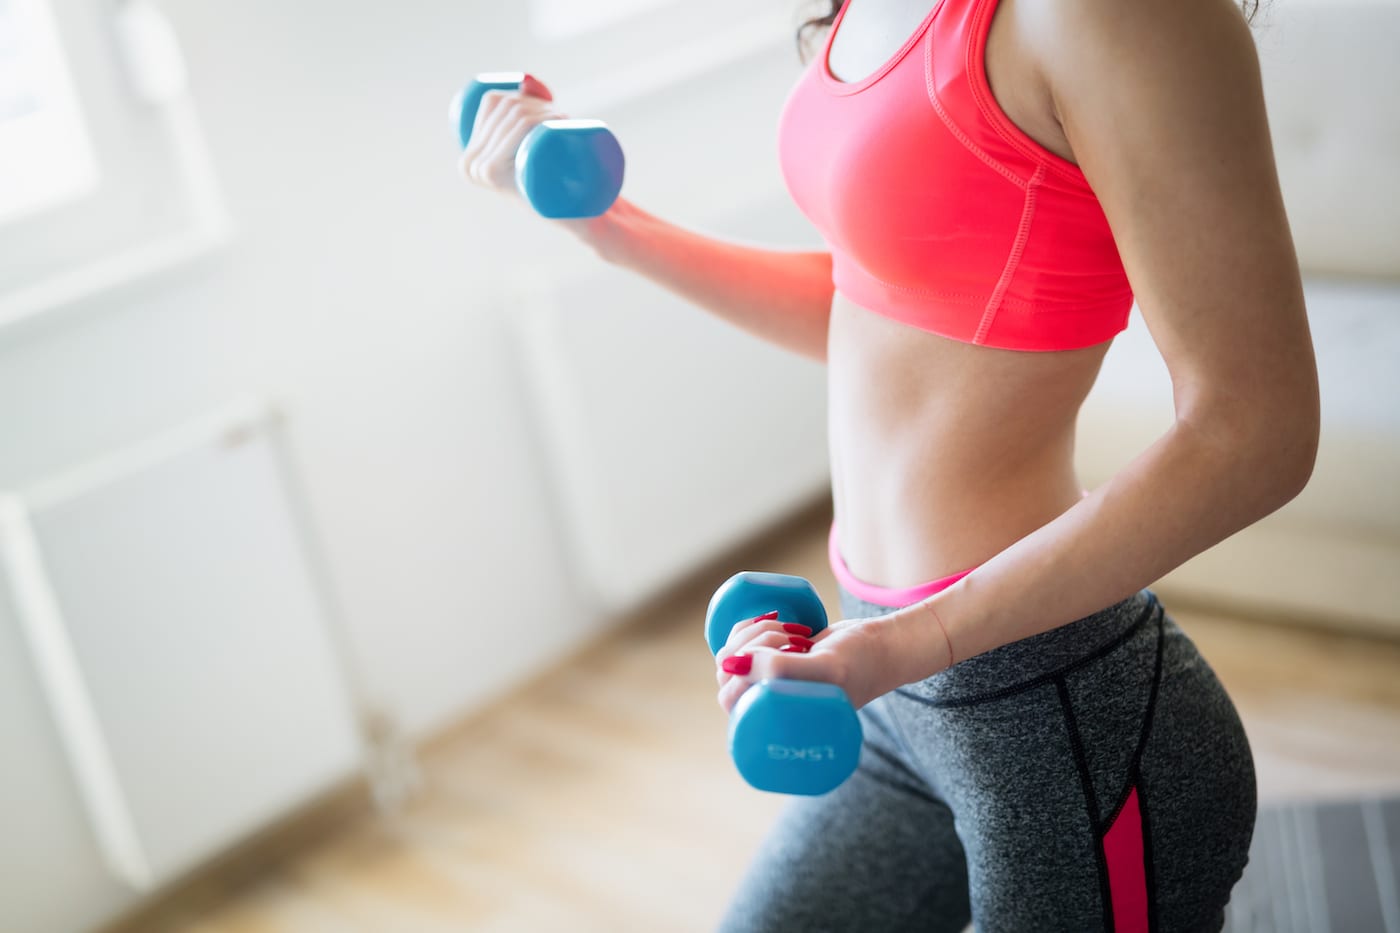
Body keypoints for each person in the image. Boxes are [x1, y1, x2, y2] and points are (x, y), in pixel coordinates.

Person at [459, 0, 1318, 927]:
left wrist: (914, 641)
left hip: (1058, 720)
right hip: (891, 692)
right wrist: (615, 229)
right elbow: (875, 296)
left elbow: (1255, 431)